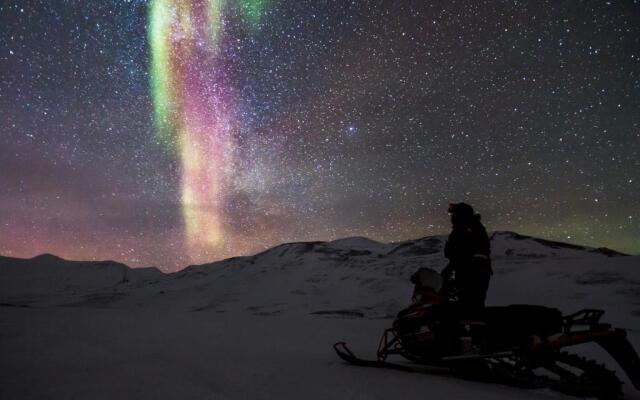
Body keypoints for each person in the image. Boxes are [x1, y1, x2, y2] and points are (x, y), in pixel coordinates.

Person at [441, 202, 492, 308]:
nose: (452, 216)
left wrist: (453, 266)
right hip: (466, 270)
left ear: (461, 214)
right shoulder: (464, 227)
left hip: (472, 272)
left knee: (471, 305)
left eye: (454, 213)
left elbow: (465, 251)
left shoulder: (469, 227)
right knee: (466, 304)